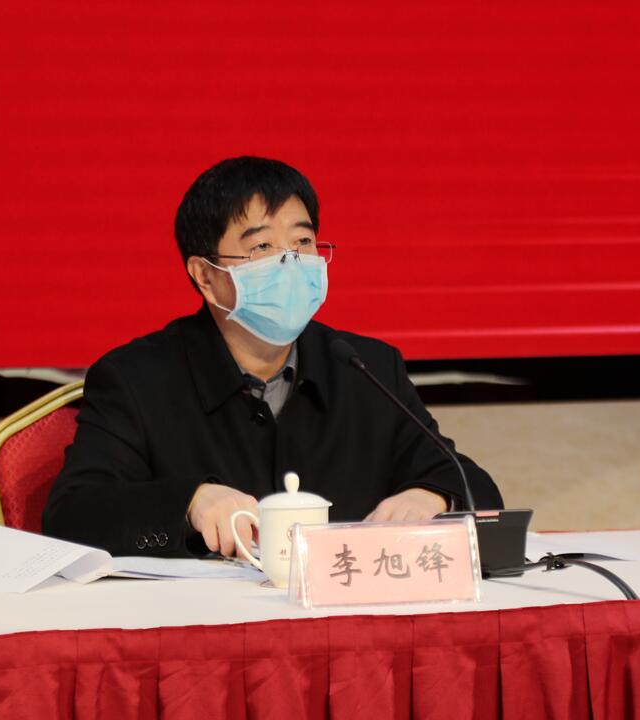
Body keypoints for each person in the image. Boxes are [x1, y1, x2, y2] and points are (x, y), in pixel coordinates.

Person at [43, 156, 503, 558]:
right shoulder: (137, 379)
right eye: (262, 247)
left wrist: (432, 497)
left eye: (302, 243)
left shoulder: (366, 367)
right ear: (205, 275)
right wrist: (190, 501)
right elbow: (73, 515)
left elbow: (472, 484)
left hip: (345, 615)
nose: (291, 262)